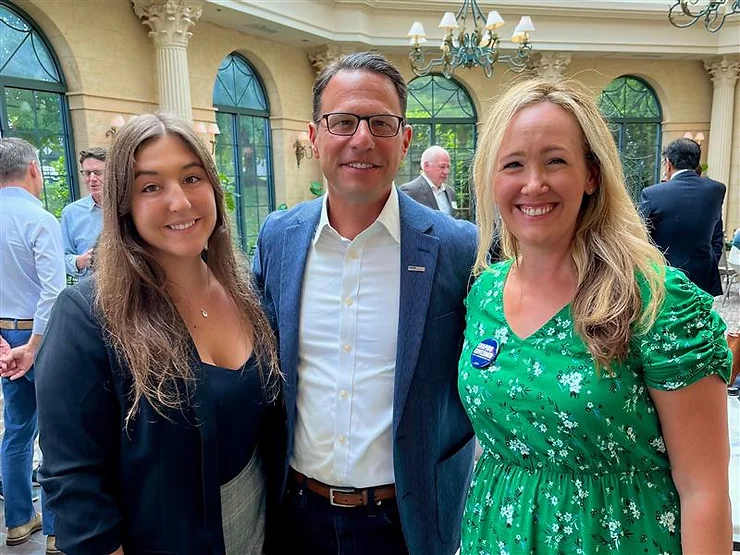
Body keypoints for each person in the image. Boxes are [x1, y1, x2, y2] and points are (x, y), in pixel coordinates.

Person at [459, 79, 732, 554]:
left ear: (591, 174)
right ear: (491, 179)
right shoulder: (485, 292)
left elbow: (703, 488)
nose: (533, 184)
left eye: (555, 160)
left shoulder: (656, 302)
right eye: (513, 165)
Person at [253, 52, 477, 555]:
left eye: (380, 122)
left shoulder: (457, 247)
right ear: (314, 137)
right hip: (296, 515)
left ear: (404, 140)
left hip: (408, 519)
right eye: (343, 121)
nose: (362, 138)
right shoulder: (279, 239)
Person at [34, 113, 282, 555]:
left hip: (259, 530)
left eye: (192, 178)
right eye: (151, 186)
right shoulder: (89, 316)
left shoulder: (247, 292)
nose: (180, 203)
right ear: (123, 204)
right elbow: (73, 483)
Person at [0, 137, 64, 554]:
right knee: (59, 432)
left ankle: (18, 522)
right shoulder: (40, 219)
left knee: (17, 430)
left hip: (5, 339)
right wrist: (35, 346)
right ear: (34, 170)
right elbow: (54, 291)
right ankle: (58, 530)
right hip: (40, 337)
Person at [640, 138, 725, 296]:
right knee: (699, 319)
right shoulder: (716, 190)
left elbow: (640, 236)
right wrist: (712, 257)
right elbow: (717, 232)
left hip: (664, 277)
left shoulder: (652, 194)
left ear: (668, 163)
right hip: (702, 276)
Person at [60, 147, 106, 279]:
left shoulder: (129, 207)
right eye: (87, 173)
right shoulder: (71, 213)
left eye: (97, 172)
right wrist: (80, 261)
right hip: (89, 293)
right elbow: (61, 259)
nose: (92, 179)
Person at [399, 145, 456, 216]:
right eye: (442, 167)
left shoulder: (450, 192)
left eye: (448, 167)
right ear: (426, 166)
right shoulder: (410, 191)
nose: (446, 171)